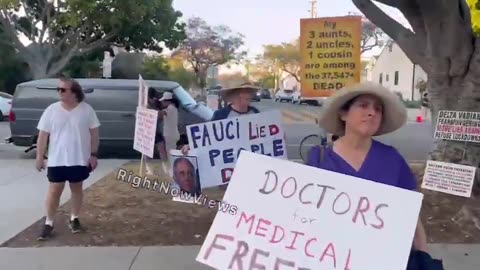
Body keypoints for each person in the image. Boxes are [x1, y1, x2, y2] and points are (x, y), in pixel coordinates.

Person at [306, 81, 428, 253]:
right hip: (331, 255)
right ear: (343, 114)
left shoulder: (392, 158)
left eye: (378, 109)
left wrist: (423, 253)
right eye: (363, 106)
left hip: (380, 256)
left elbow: (411, 214)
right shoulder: (318, 157)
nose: (372, 112)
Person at [35, 77, 100, 240]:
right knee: (54, 191)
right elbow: (42, 136)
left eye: (63, 89)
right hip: (57, 160)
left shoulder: (87, 110)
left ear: (74, 92)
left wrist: (93, 155)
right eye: (58, 89)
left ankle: (74, 218)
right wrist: (39, 156)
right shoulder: (51, 110)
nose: (59, 92)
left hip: (79, 159)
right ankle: (49, 223)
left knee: (77, 189)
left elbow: (94, 134)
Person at [180, 82, 261, 155]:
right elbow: (209, 136)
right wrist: (192, 145)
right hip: (229, 159)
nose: (248, 95)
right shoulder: (221, 115)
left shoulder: (256, 113)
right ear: (235, 95)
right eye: (244, 91)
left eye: (249, 92)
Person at [145, 87, 168, 175]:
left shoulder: (157, 104)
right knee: (148, 152)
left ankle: (166, 168)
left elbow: (161, 114)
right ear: (149, 97)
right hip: (148, 132)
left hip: (157, 131)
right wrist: (160, 113)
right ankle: (149, 169)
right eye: (152, 98)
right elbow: (155, 115)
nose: (154, 99)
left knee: (162, 149)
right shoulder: (146, 105)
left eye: (155, 98)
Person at [158, 92, 180, 159]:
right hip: (172, 134)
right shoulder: (173, 108)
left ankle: (172, 168)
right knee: (171, 153)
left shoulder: (170, 109)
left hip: (170, 135)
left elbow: (160, 114)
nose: (162, 103)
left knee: (171, 155)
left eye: (163, 101)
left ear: (167, 101)